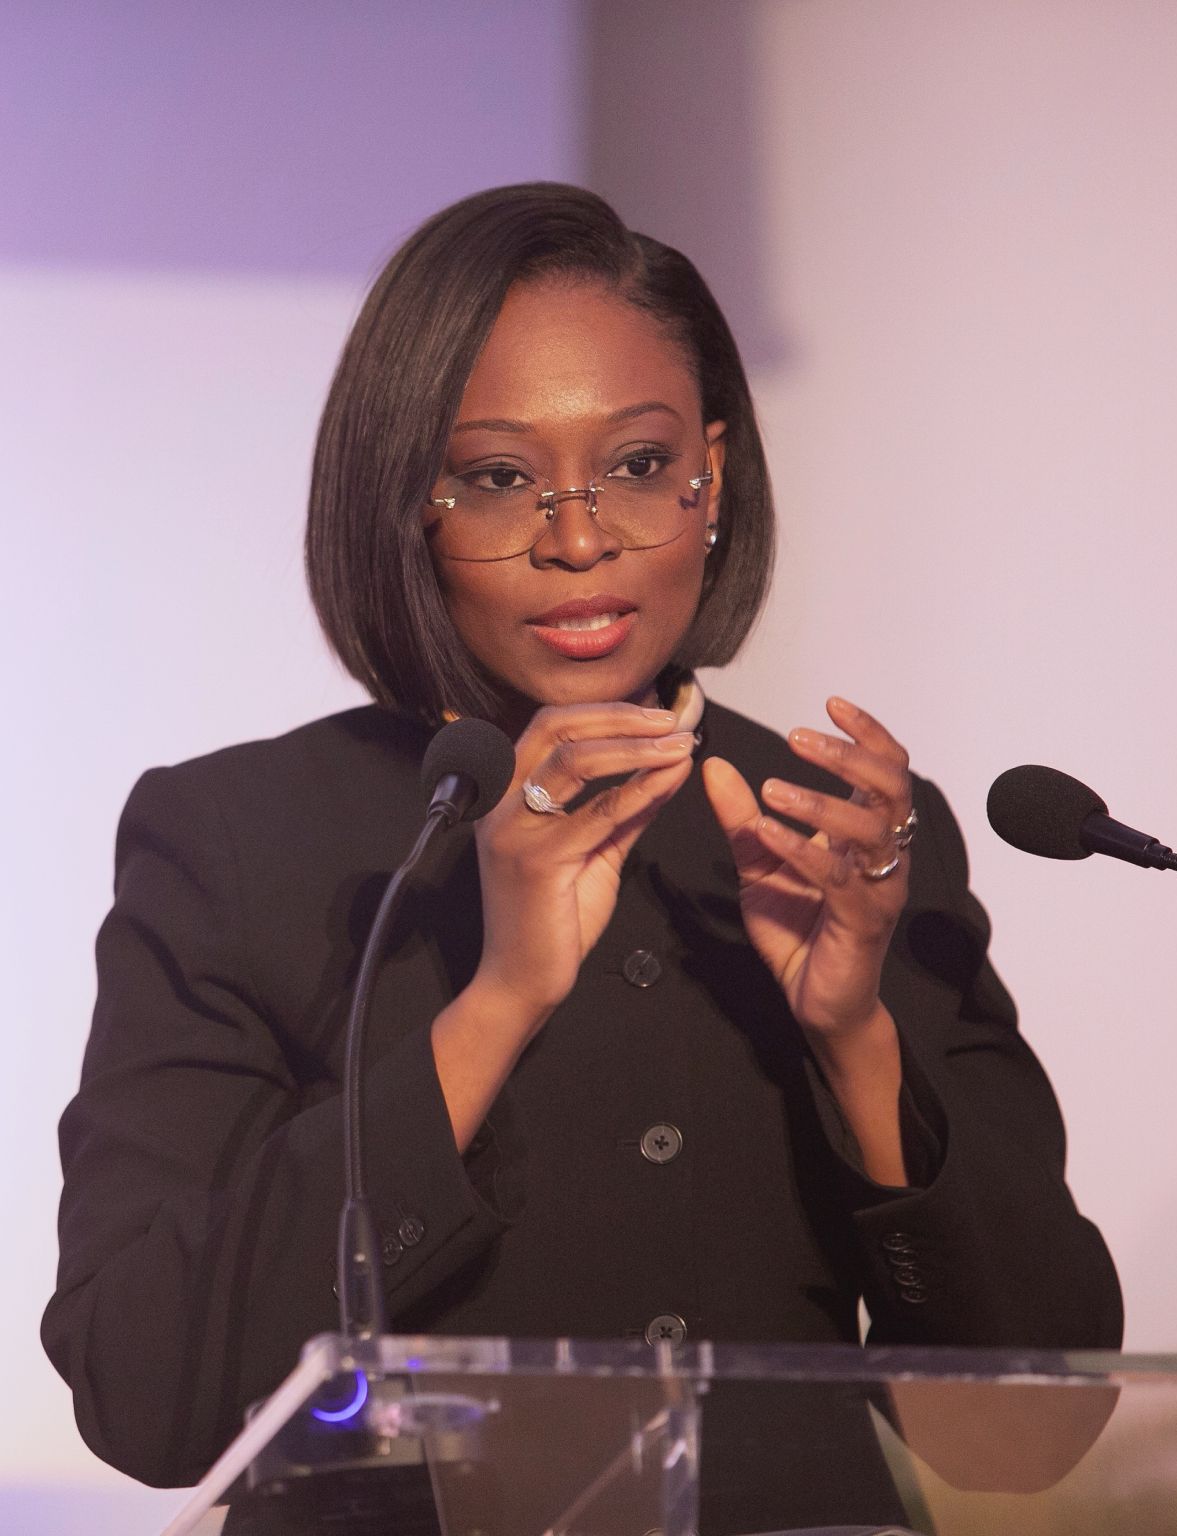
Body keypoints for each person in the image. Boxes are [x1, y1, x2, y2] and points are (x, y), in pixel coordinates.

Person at [42, 184, 1122, 1513]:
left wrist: (855, 1037)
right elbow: (145, 1389)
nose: (577, 538)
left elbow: (1031, 1439)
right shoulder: (243, 839)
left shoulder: (846, 831)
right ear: (409, 504)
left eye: (636, 465)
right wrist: (495, 1003)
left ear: (711, 480)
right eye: (499, 478)